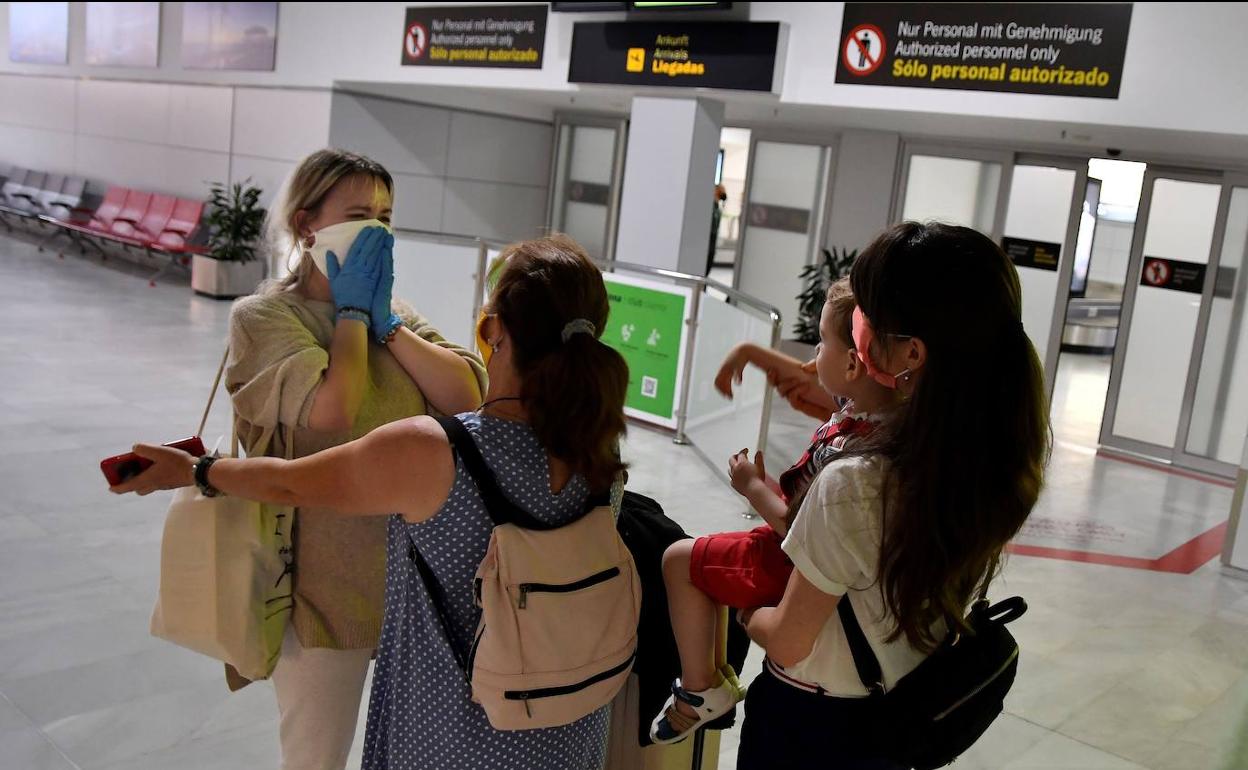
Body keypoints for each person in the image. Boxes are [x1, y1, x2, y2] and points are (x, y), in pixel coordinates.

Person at [111, 235, 628, 770]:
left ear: (492, 330)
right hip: (569, 723)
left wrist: (196, 470)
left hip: (458, 731)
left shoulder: (436, 451)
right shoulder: (597, 448)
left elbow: (290, 483)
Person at [733, 222, 1051, 769]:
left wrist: (744, 611)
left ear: (910, 354)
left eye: (864, 318)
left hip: (813, 726)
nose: (854, 327)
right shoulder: (982, 455)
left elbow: (788, 640)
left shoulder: (855, 484)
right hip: (898, 710)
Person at [224, 149, 485, 770]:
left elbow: (468, 395)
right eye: (360, 214)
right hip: (317, 591)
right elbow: (333, 410)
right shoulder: (264, 318)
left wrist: (387, 322)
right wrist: (347, 316)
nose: (378, 230)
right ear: (308, 223)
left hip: (408, 587)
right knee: (317, 755)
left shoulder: (395, 315)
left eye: (387, 217)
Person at [650, 278, 897, 744]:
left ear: (853, 361)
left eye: (821, 341)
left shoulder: (853, 464)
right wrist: (751, 353)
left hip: (789, 560)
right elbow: (809, 382)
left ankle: (699, 689)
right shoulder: (877, 417)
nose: (809, 355)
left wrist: (752, 488)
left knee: (678, 560)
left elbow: (797, 528)